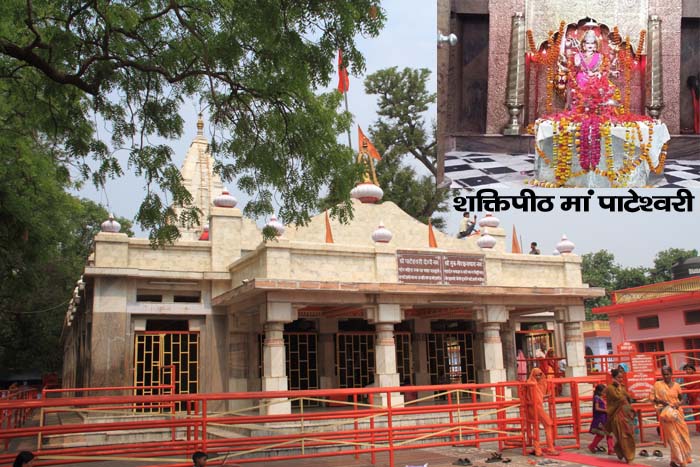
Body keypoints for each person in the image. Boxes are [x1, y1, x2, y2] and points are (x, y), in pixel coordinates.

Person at [651, 366, 692, 467]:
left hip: (677, 415)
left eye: (668, 374)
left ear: (671, 374)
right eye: (664, 374)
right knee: (674, 439)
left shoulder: (677, 385)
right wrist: (661, 402)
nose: (666, 376)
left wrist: (678, 404)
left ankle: (674, 461)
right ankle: (682, 462)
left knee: (683, 437)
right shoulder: (658, 385)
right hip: (666, 415)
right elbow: (653, 398)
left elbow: (682, 399)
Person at [523, 368, 560, 456]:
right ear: (533, 375)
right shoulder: (533, 384)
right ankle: (550, 448)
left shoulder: (531, 383)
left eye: (540, 374)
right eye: (537, 375)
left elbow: (538, 396)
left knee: (536, 428)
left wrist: (546, 395)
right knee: (548, 424)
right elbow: (537, 398)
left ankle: (537, 449)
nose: (539, 377)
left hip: (533, 407)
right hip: (537, 407)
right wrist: (548, 395)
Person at [604, 368, 635, 464]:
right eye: (618, 377)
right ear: (613, 378)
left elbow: (628, 397)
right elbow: (619, 397)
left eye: (622, 377)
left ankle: (621, 450)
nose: (620, 379)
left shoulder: (622, 387)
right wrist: (620, 389)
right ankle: (628, 457)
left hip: (625, 414)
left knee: (628, 434)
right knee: (622, 435)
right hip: (616, 415)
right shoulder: (610, 388)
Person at [588, 384, 614, 454]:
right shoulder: (596, 398)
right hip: (600, 419)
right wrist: (606, 410)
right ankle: (592, 446)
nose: (604, 393)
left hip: (604, 418)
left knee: (609, 433)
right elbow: (596, 408)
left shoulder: (600, 398)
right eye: (603, 392)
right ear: (599, 391)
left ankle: (610, 448)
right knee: (601, 434)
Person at [682, 364, 700, 432]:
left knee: (697, 412)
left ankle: (699, 429)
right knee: (696, 413)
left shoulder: (697, 376)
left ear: (693, 370)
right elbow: (687, 386)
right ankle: (698, 429)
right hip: (692, 397)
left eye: (689, 369)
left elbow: (688, 386)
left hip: (698, 395)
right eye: (686, 369)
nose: (688, 371)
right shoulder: (685, 377)